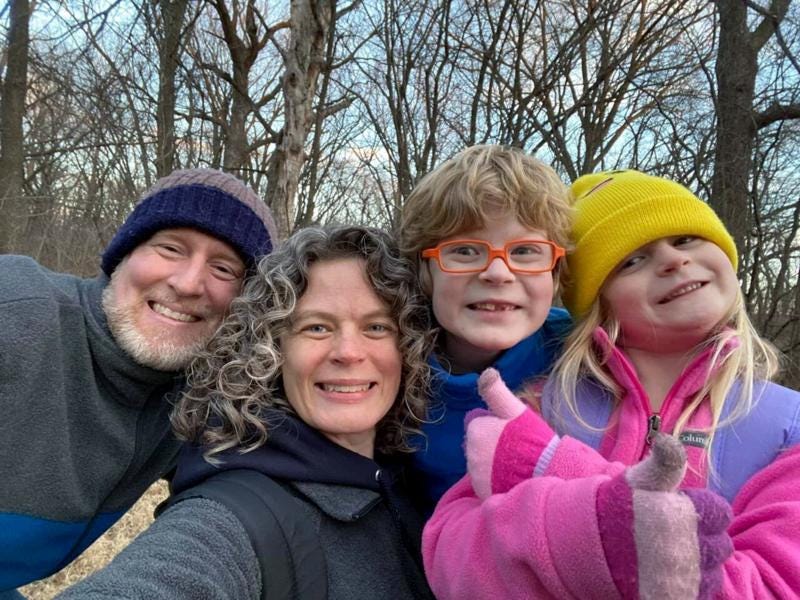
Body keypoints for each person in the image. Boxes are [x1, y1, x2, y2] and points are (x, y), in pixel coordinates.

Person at [425, 170, 800, 597]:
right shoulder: (539, 408)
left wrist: (651, 554)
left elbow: (780, 580)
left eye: (686, 239)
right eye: (631, 260)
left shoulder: (788, 426)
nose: (674, 260)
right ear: (597, 303)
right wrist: (591, 533)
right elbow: (452, 551)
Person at [56, 225, 437, 599]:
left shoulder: (420, 480)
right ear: (271, 351)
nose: (349, 352)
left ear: (408, 347)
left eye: (376, 327)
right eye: (317, 327)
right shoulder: (234, 520)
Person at [0, 169, 277, 593]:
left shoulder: (199, 398)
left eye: (223, 268)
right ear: (123, 255)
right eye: (170, 248)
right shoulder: (17, 309)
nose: (187, 283)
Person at [398, 145, 573, 511]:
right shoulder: (387, 372)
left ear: (555, 273)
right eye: (464, 251)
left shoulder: (586, 358)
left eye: (525, 251)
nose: (497, 272)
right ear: (425, 272)